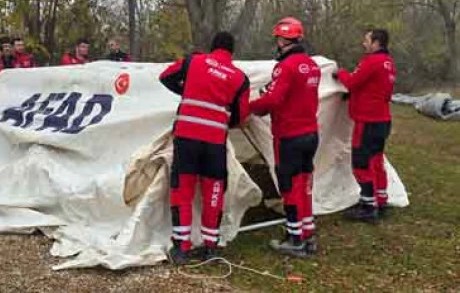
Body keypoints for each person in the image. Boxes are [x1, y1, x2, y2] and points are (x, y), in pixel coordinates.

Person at [159, 32, 250, 265]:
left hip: (187, 137)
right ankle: (211, 246)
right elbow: (240, 116)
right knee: (214, 191)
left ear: (212, 47)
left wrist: (187, 90)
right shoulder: (240, 78)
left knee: (183, 190)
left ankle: (181, 247)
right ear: (232, 52)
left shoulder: (194, 62)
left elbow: (165, 76)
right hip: (214, 142)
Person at [250, 17, 321, 257]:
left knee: (289, 187)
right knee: (304, 185)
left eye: (278, 39)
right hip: (311, 133)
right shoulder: (312, 66)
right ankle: (308, 233)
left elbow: (273, 100)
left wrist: (251, 107)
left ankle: (294, 239)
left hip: (289, 135)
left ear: (282, 39)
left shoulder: (285, 67)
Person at [334, 28, 397, 223]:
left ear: (376, 43)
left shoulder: (372, 62)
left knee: (361, 162)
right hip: (382, 120)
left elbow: (352, 82)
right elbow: (373, 88)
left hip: (367, 121)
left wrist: (340, 73)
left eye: (367, 40)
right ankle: (381, 199)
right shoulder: (389, 63)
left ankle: (368, 206)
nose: (364, 43)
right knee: (376, 161)